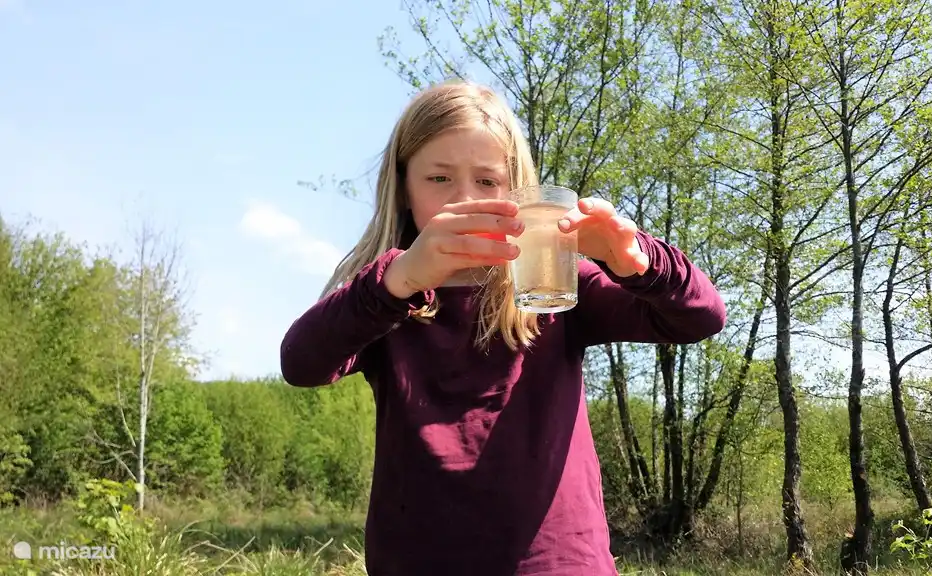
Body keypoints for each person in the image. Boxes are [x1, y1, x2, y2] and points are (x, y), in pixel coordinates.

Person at [279, 80, 727, 576]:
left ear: (515, 191)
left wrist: (636, 259)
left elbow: (700, 317)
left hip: (559, 563)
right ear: (404, 186)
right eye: (440, 179)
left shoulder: (553, 280)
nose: (467, 199)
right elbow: (300, 363)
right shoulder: (384, 294)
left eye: (488, 182)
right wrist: (397, 280)